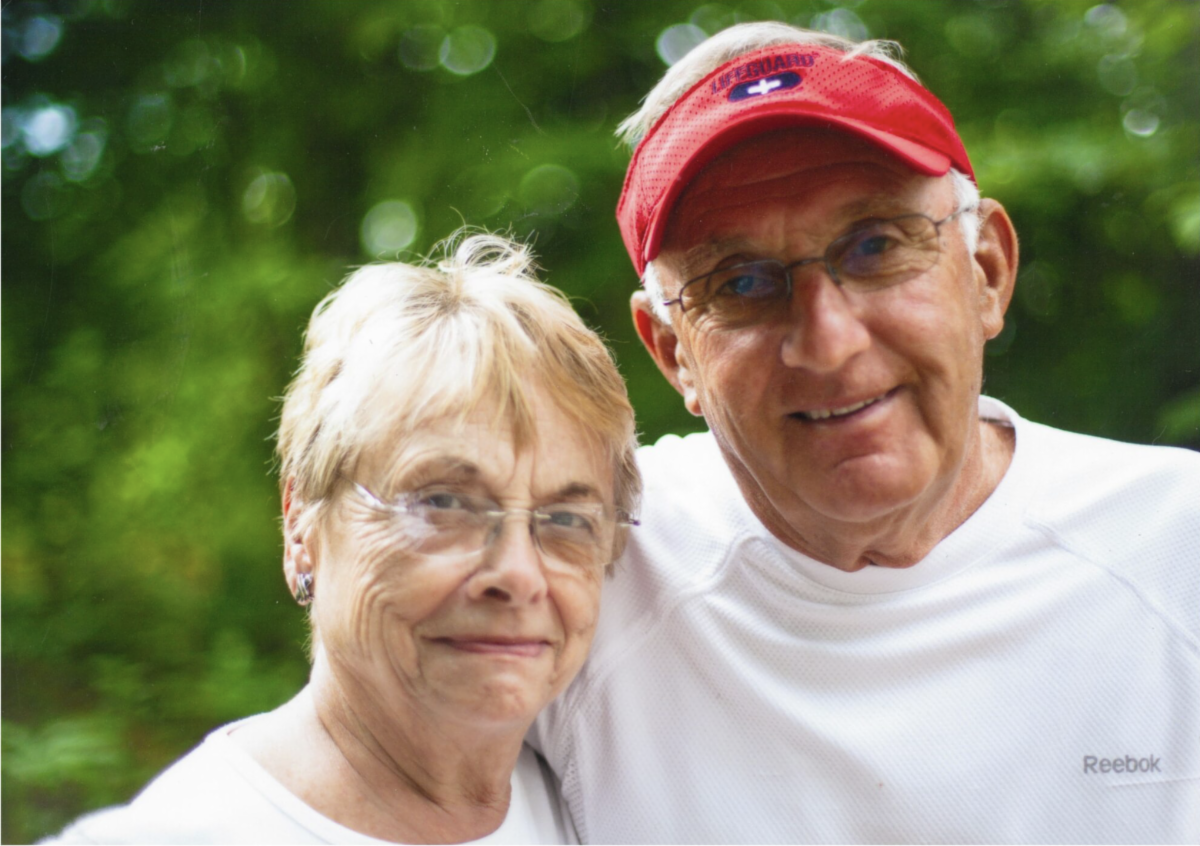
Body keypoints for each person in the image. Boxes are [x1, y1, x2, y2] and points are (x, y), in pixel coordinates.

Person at [531, 22, 1200, 843]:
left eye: (876, 246)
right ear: (674, 355)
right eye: (741, 284)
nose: (828, 341)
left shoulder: (1176, 550)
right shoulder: (570, 575)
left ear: (987, 271)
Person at [49, 233, 640, 844]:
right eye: (442, 503)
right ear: (301, 524)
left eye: (566, 519)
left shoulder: (605, 805)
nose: (518, 574)